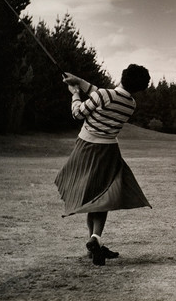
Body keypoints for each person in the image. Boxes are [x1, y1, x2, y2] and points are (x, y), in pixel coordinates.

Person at [55, 64, 152, 266]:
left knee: (93, 197)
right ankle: (95, 240)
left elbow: (78, 114)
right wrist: (79, 80)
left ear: (123, 75)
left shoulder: (105, 95)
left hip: (86, 148)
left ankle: (95, 241)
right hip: (109, 152)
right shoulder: (130, 103)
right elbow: (100, 94)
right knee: (101, 198)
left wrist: (74, 94)